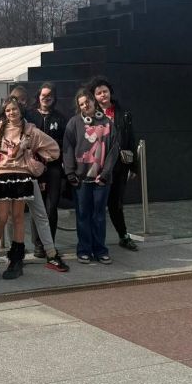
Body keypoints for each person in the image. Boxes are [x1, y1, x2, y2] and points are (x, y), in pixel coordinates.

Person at [0, 96, 60, 280]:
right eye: (7, 110)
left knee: (19, 217)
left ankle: (16, 261)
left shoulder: (30, 130)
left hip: (22, 176)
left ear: (21, 110)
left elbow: (53, 149)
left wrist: (35, 158)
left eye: (14, 109)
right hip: (2, 176)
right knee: (1, 217)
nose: (11, 113)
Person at [63, 88, 119, 264]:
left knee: (99, 215)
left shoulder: (108, 122)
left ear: (93, 101)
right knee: (82, 215)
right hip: (81, 179)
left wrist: (106, 173)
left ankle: (100, 250)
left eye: (87, 102)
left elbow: (113, 150)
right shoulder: (73, 123)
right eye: (81, 104)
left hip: (102, 179)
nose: (85, 105)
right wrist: (70, 172)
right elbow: (67, 148)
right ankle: (84, 250)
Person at [89, 76, 139, 251]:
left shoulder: (122, 113)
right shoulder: (90, 114)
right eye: (99, 93)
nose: (103, 95)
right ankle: (95, 240)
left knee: (116, 202)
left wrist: (133, 166)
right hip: (98, 165)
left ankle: (123, 235)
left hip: (119, 165)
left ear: (110, 92)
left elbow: (131, 139)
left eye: (105, 91)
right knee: (96, 204)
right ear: (94, 96)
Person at [24, 83, 68, 247]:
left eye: (50, 95)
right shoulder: (29, 115)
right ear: (39, 96)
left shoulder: (60, 118)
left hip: (53, 168)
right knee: (37, 207)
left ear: (54, 97)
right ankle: (38, 244)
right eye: (44, 95)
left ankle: (50, 244)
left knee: (51, 207)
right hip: (34, 168)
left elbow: (66, 142)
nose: (46, 98)